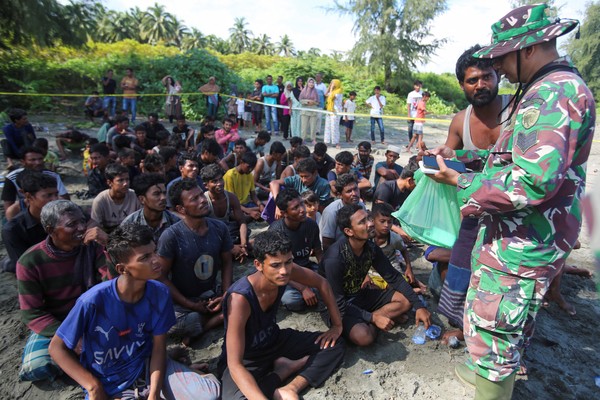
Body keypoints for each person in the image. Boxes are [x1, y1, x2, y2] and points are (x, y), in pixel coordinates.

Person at [428, 4, 593, 397]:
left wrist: (463, 182)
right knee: (506, 322)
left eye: (502, 57)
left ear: (530, 49)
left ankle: (492, 387)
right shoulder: (552, 88)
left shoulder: (551, 93)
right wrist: (469, 159)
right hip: (524, 234)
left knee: (497, 323)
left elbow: (533, 181)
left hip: (523, 240)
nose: (498, 67)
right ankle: (488, 373)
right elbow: (521, 158)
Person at [49, 224, 221, 400]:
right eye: (145, 257)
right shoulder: (93, 301)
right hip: (110, 382)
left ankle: (179, 373)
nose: (156, 260)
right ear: (122, 269)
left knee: (208, 395)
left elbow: (158, 349)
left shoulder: (159, 293)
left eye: (154, 252)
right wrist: (92, 386)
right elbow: (56, 348)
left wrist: (153, 394)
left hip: (146, 367)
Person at [437, 44, 508, 346]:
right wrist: (441, 155)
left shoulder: (516, 110)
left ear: (498, 76)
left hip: (511, 212)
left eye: (487, 76)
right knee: (462, 265)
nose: (480, 84)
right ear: (462, 85)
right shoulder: (459, 121)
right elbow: (450, 160)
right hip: (473, 210)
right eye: (472, 79)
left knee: (505, 281)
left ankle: (501, 337)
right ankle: (463, 326)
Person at [219, 230, 345, 399]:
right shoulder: (240, 298)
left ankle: (291, 387)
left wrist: (337, 326)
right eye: (275, 265)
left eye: (288, 262)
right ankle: (282, 372)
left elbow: (322, 283)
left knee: (335, 344)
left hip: (274, 340)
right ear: (258, 264)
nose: (284, 271)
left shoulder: (288, 271)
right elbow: (235, 364)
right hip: (247, 357)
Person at [16, 200, 109, 382]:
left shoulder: (94, 247)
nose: (82, 228)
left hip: (93, 316)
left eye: (82, 221)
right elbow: (33, 314)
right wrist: (69, 337)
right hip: (57, 323)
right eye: (71, 225)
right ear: (51, 230)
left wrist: (108, 246)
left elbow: (112, 286)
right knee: (37, 367)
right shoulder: (29, 262)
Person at [320, 204, 431, 346]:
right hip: (335, 306)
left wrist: (419, 305)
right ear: (349, 231)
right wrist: (373, 318)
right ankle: (375, 319)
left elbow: (394, 277)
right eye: (362, 222)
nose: (371, 223)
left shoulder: (370, 248)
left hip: (359, 295)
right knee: (364, 337)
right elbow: (338, 303)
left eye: (369, 218)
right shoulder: (334, 258)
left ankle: (372, 317)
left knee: (406, 300)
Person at [158, 179, 233, 345]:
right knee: (176, 323)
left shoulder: (219, 228)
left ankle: (205, 325)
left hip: (213, 293)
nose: (202, 200)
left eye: (201, 195)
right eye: (194, 199)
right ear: (181, 209)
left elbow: (227, 262)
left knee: (244, 299)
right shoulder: (171, 236)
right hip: (184, 300)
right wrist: (189, 304)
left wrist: (226, 293)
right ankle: (212, 318)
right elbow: (161, 277)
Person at [270, 188, 323, 311]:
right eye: (295, 208)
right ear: (284, 213)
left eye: (301, 204)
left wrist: (324, 273)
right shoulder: (276, 232)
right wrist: (303, 288)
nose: (302, 210)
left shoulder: (311, 225)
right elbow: (278, 269)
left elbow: (319, 252)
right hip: (286, 275)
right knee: (291, 299)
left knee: (331, 282)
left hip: (306, 268)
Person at [1, 171, 58, 273]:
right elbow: (23, 266)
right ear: (28, 196)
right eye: (48, 195)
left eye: (56, 194)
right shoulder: (13, 229)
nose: (55, 199)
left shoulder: (65, 215)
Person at [2, 146, 69, 220]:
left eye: (40, 159)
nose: (38, 162)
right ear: (23, 162)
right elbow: (8, 204)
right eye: (32, 160)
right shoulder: (12, 178)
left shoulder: (52, 175)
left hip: (51, 210)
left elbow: (64, 199)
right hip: (23, 210)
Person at [201, 164, 249, 262]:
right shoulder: (203, 201)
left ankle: (240, 249)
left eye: (220, 179)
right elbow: (203, 231)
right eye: (214, 181)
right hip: (211, 235)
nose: (219, 183)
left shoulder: (231, 197)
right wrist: (231, 247)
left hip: (227, 232)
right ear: (206, 185)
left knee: (243, 232)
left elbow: (241, 221)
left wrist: (243, 244)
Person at [366, 203, 416, 288]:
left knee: (399, 286)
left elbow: (404, 250)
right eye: (382, 221)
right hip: (372, 273)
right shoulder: (366, 238)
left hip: (392, 271)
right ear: (373, 221)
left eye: (389, 222)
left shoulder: (395, 238)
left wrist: (409, 269)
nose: (386, 225)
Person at [121, 173, 180, 243]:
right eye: (156, 194)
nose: (163, 198)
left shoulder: (176, 222)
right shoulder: (130, 223)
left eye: (164, 193)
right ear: (142, 199)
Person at [91, 163, 141, 234]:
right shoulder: (100, 201)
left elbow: (141, 222)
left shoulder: (135, 196)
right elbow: (97, 228)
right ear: (109, 182)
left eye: (127, 179)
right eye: (120, 180)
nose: (125, 183)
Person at [319, 173, 364, 251]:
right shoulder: (331, 212)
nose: (354, 194)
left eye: (356, 189)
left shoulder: (360, 205)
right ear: (340, 195)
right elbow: (327, 244)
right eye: (349, 191)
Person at [223, 151, 264, 221]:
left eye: (252, 168)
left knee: (265, 207)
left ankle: (253, 214)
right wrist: (249, 211)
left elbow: (253, 195)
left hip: (247, 204)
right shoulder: (230, 175)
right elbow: (231, 201)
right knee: (239, 216)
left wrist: (260, 205)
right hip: (234, 207)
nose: (250, 170)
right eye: (248, 167)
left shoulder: (249, 175)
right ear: (241, 162)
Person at [299, 77, 320, 145]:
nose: (311, 83)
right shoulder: (303, 91)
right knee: (304, 126)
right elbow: (300, 100)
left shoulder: (315, 91)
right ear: (307, 83)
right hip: (305, 110)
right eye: (310, 82)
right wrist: (307, 102)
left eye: (312, 82)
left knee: (313, 126)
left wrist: (313, 102)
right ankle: (302, 139)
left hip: (313, 110)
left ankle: (313, 139)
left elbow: (318, 102)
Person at [324, 79, 343, 149]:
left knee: (334, 127)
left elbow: (332, 97)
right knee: (327, 126)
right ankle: (326, 142)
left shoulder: (339, 91)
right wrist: (329, 87)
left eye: (333, 83)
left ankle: (336, 142)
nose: (332, 84)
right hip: (329, 110)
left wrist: (331, 89)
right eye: (331, 83)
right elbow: (326, 94)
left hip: (335, 111)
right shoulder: (332, 91)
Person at [406, 80, 423, 144]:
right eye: (416, 86)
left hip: (419, 115)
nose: (418, 87)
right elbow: (408, 104)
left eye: (419, 86)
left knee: (418, 130)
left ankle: (417, 143)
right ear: (414, 86)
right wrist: (408, 114)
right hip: (412, 114)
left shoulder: (422, 93)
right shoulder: (411, 94)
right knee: (410, 129)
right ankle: (410, 141)